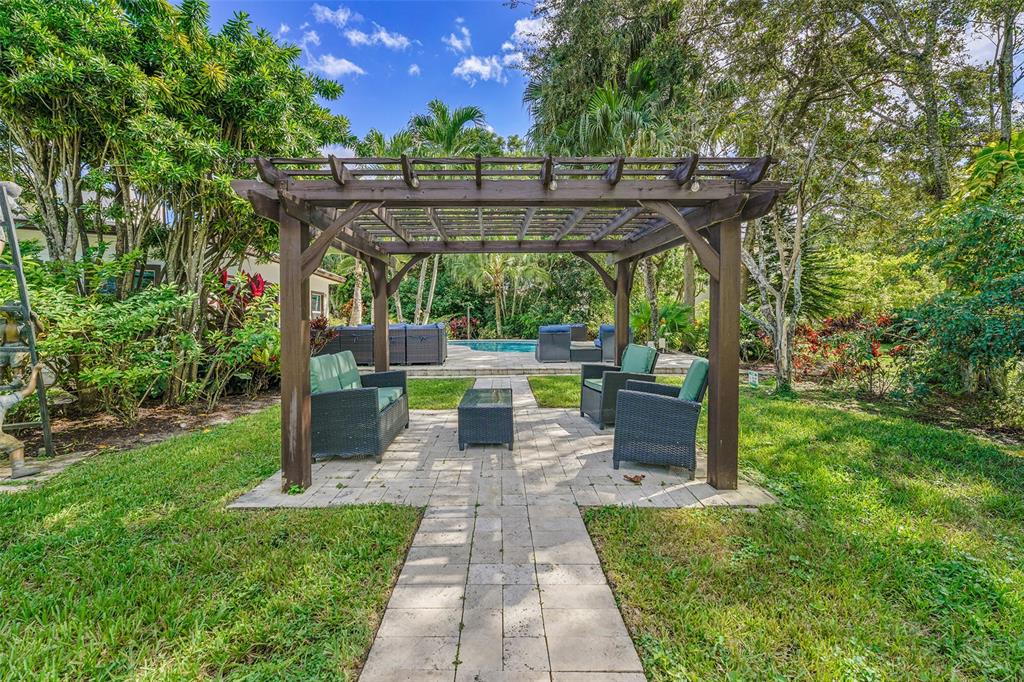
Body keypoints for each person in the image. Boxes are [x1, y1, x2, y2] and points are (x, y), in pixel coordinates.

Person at [2, 362, 43, 479]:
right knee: (15, 445)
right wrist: (35, 371)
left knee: (13, 443)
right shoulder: (3, 401)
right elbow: (29, 390)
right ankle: (18, 469)